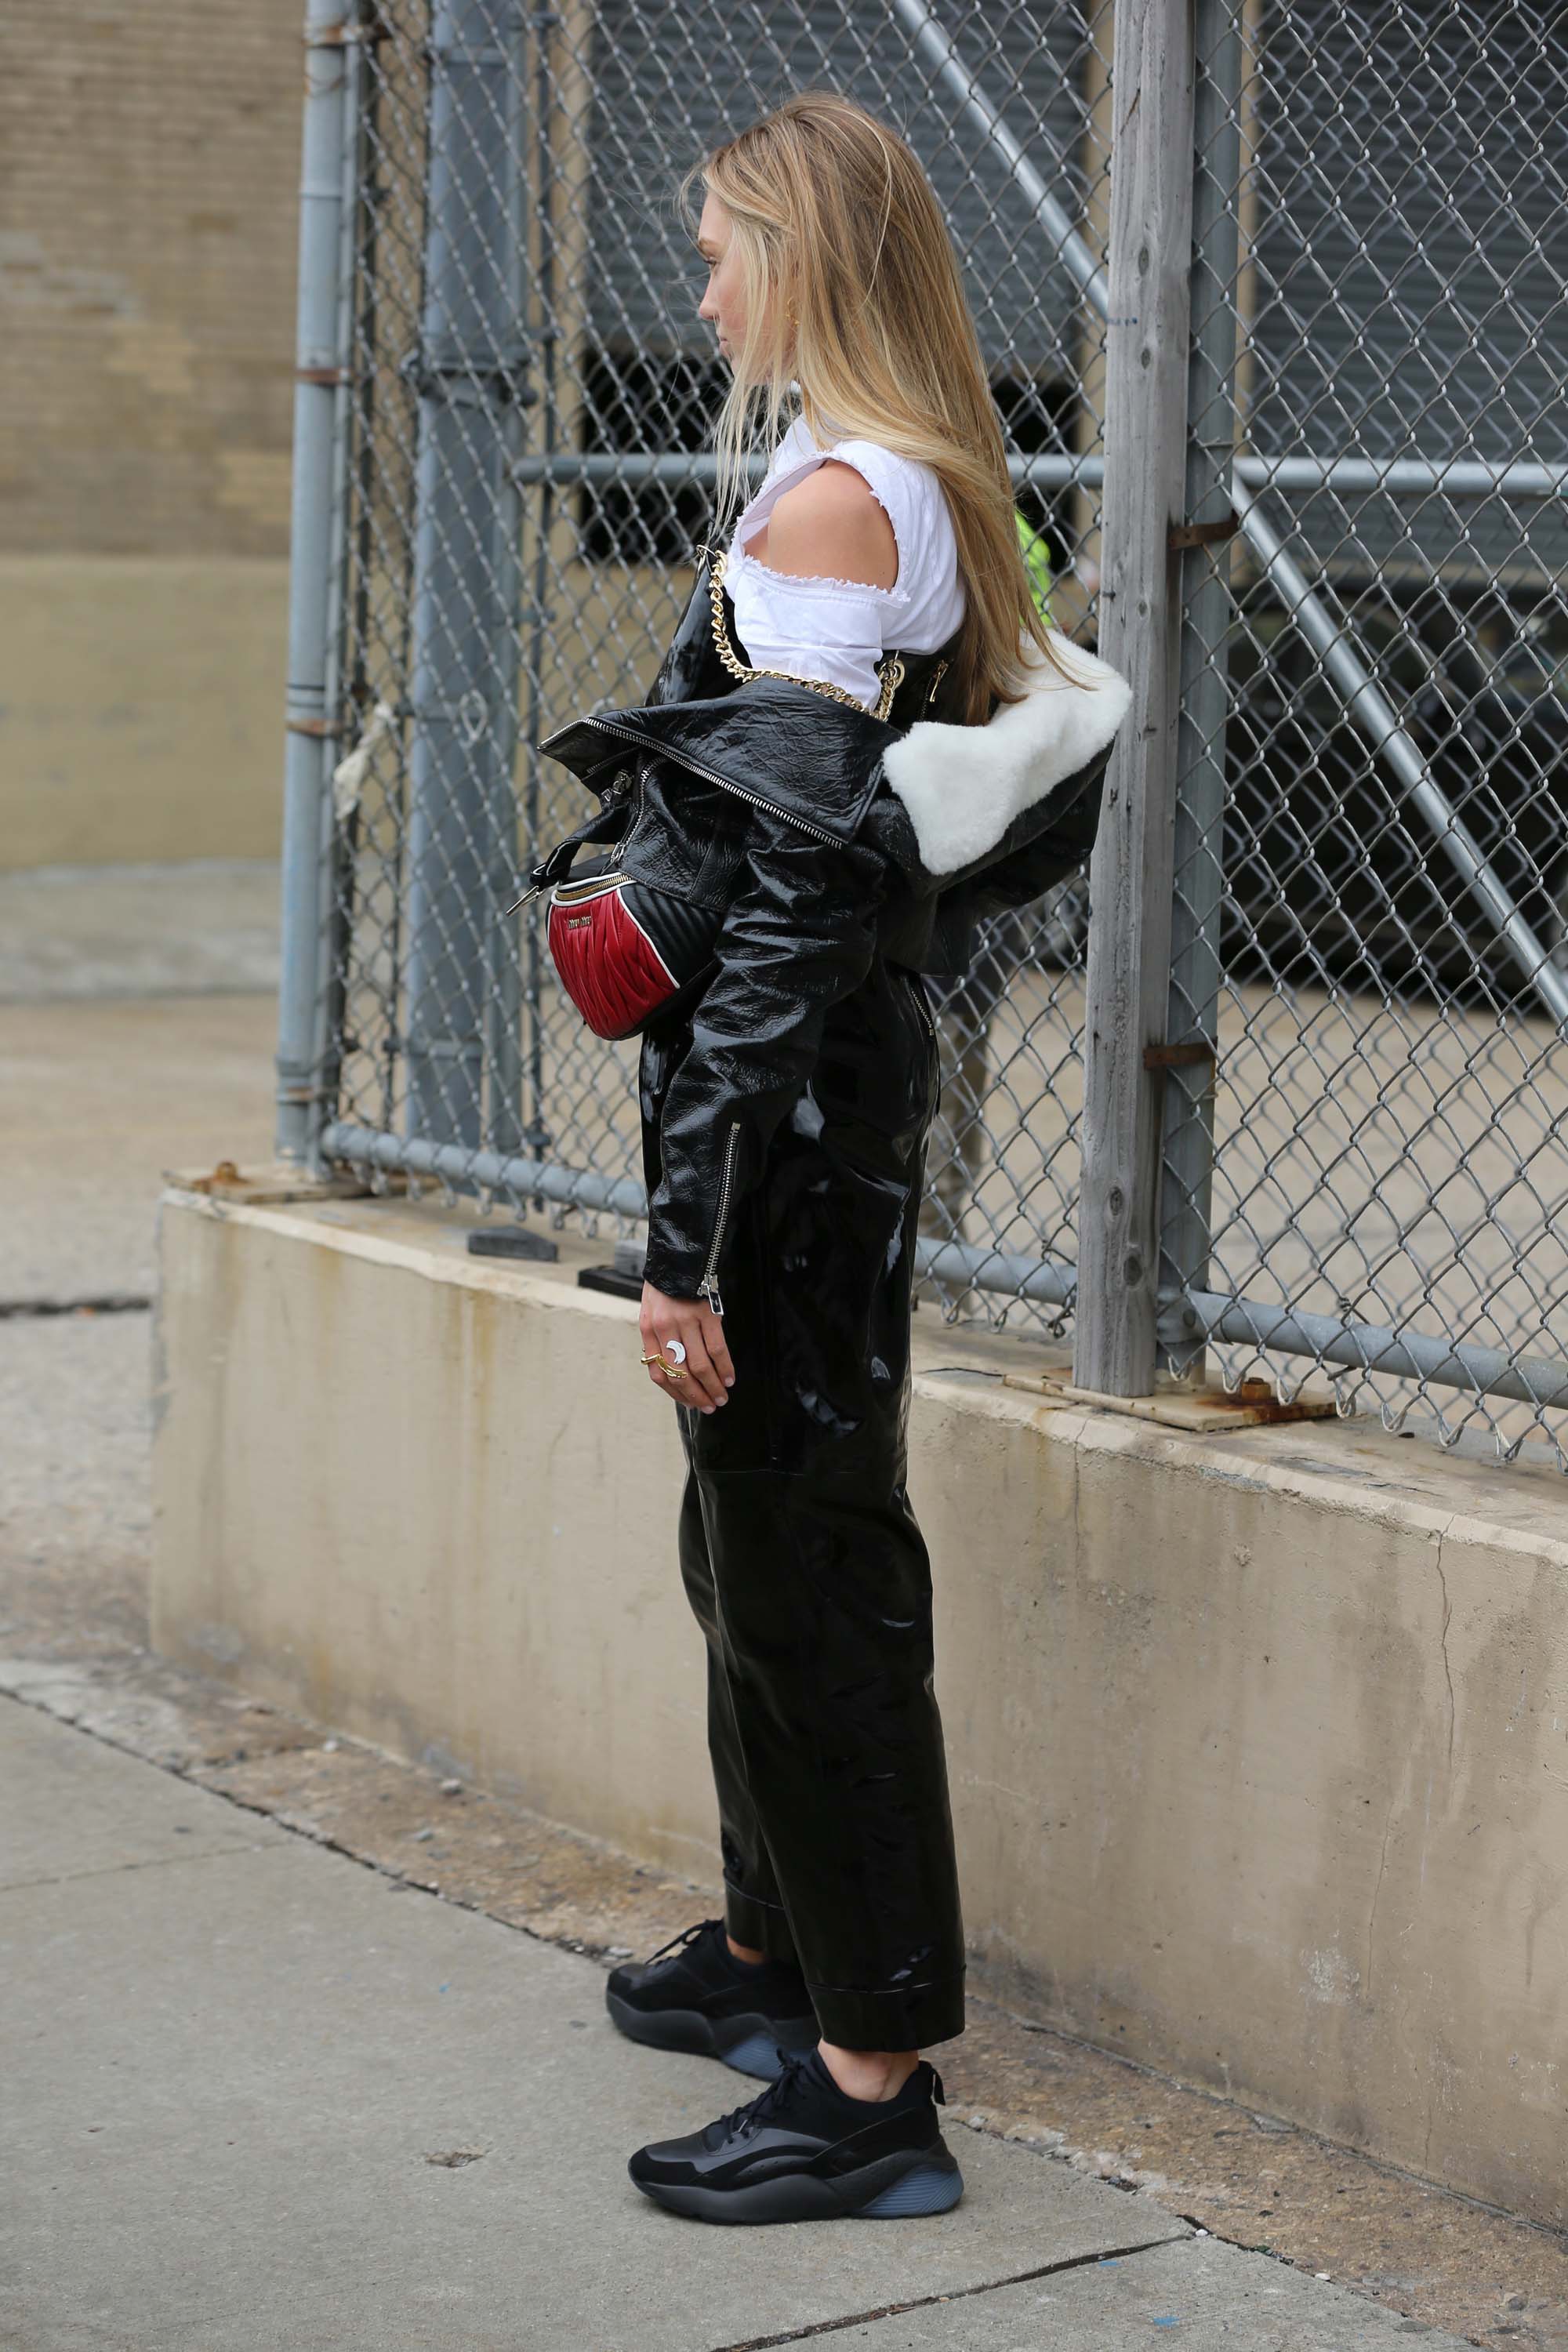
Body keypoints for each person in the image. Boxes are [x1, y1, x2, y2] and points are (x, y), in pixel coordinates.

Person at [550, 90, 1130, 2225]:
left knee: (812, 1578)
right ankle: (778, 1951)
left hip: (790, 1107)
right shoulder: (916, 482)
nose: (696, 286)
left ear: (807, 256)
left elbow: (791, 902)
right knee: (756, 1550)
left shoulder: (833, 510)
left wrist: (687, 1247)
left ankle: (870, 2086)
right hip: (827, 1081)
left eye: (721, 247)